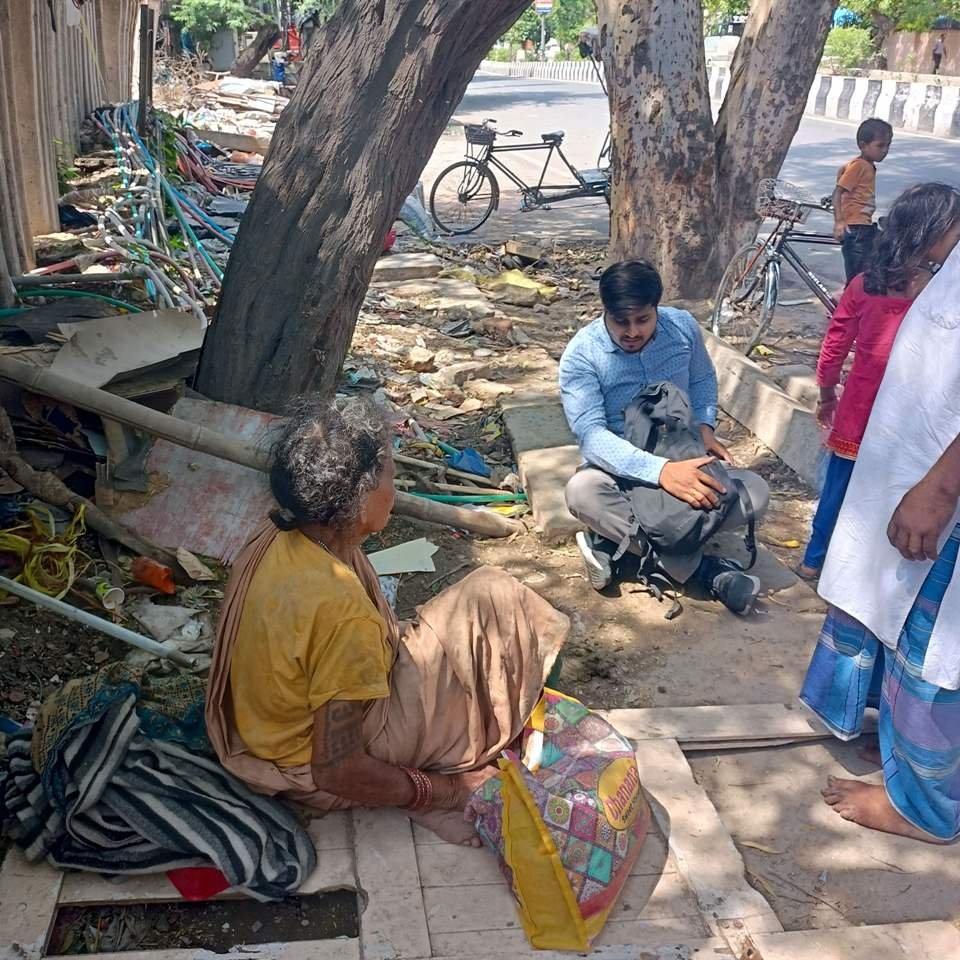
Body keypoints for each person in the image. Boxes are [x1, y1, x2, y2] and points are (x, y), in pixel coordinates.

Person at [206, 397, 569, 845]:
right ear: (360, 502)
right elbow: (335, 769)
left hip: (264, 732)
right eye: (391, 476)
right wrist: (446, 791)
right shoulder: (342, 613)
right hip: (308, 765)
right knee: (506, 606)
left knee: (486, 594)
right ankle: (463, 765)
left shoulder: (279, 533)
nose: (394, 491)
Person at [800, 236, 960, 844]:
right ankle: (899, 747)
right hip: (915, 459)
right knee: (892, 606)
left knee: (933, 636)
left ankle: (925, 807)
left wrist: (941, 487)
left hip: (941, 486)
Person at [560, 260, 770, 615]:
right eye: (620, 321)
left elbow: (702, 379)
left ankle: (615, 544)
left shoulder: (683, 328)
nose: (632, 332)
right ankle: (705, 572)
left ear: (656, 308)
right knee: (582, 493)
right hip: (619, 470)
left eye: (642, 319)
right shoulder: (582, 355)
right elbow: (592, 437)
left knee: (756, 493)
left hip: (684, 456)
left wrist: (704, 427)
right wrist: (661, 472)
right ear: (605, 311)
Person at [798, 183, 960, 581]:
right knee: (884, 498)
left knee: (837, 492)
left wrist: (826, 394)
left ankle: (813, 560)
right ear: (932, 234)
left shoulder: (864, 285)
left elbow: (834, 347)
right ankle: (860, 570)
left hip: (856, 415)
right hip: (907, 427)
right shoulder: (938, 295)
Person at [833, 118, 893, 284]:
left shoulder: (867, 165)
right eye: (880, 145)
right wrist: (839, 221)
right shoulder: (859, 166)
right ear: (863, 145)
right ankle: (848, 300)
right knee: (857, 280)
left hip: (864, 226)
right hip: (856, 228)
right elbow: (838, 192)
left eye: (888, 145)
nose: (885, 150)